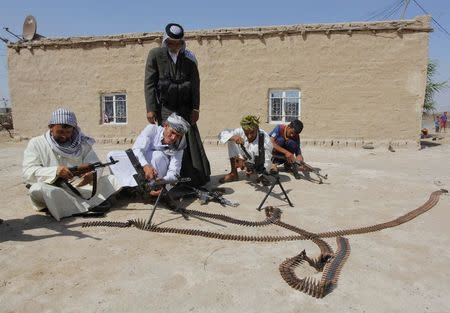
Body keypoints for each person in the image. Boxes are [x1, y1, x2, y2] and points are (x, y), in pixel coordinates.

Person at [22, 108, 121, 221]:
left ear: (73, 129)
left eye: (68, 132)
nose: (64, 136)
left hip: (78, 187)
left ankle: (70, 207)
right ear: (51, 127)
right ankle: (93, 203)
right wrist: (55, 171)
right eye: (60, 132)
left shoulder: (82, 143)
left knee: (113, 179)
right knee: (38, 189)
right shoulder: (36, 143)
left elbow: (95, 164)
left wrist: (92, 175)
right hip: (53, 187)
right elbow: (27, 172)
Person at [144, 22, 210, 187]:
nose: (174, 46)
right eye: (171, 43)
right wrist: (150, 108)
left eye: (178, 43)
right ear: (166, 41)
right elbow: (149, 83)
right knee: (170, 141)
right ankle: (170, 179)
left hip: (186, 108)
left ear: (182, 42)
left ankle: (193, 178)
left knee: (190, 143)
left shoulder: (189, 57)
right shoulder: (155, 55)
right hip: (166, 108)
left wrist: (195, 108)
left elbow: (195, 84)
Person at [107, 113, 190, 200]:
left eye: (178, 136)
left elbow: (174, 173)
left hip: (156, 176)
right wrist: (146, 166)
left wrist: (162, 180)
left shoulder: (179, 146)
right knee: (112, 156)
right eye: (172, 132)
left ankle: (149, 189)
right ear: (166, 125)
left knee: (158, 156)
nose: (173, 138)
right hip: (140, 166)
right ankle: (125, 188)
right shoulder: (152, 129)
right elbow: (136, 149)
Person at [218, 115, 272, 184]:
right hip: (244, 156)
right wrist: (234, 137)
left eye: (252, 132)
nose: (249, 136)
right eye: (246, 133)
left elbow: (267, 159)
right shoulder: (241, 131)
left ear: (257, 129)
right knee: (230, 139)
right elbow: (221, 134)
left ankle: (261, 175)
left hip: (257, 160)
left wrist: (255, 170)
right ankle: (233, 174)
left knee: (262, 166)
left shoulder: (265, 139)